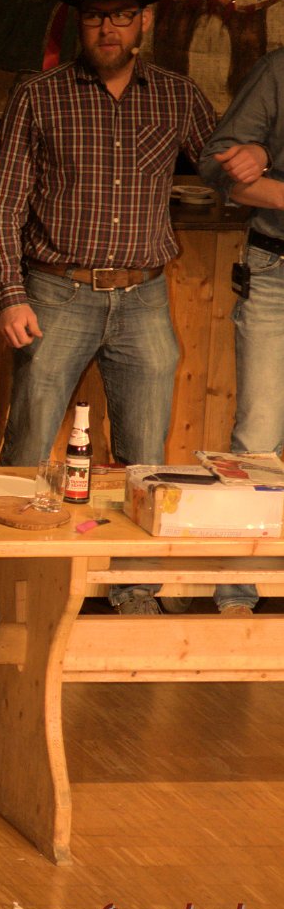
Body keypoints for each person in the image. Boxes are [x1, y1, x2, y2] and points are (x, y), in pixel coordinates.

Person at [0, 0, 214, 616]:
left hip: (144, 296)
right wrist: (10, 293)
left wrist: (254, 166)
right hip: (56, 290)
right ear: (77, 24)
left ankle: (133, 590)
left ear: (144, 22)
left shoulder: (177, 95)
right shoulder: (39, 95)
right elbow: (2, 203)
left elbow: (224, 166)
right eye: (95, 17)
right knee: (29, 447)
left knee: (145, 459)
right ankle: (12, 592)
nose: (108, 28)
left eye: (121, 15)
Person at [198, 52, 284, 617]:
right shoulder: (280, 71)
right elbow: (217, 163)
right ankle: (237, 592)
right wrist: (272, 179)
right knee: (258, 437)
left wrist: (269, 159)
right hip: (277, 268)